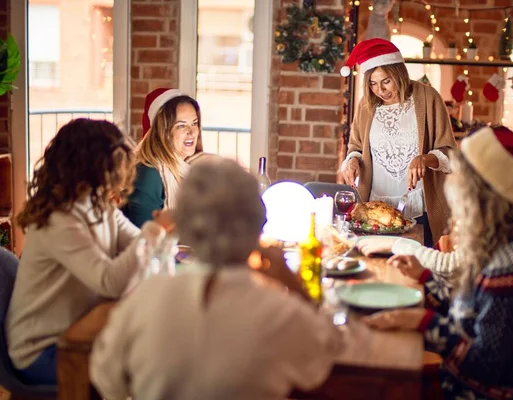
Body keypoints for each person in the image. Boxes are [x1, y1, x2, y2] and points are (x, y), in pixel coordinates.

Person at [90, 157, 340, 400]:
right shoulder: (282, 313)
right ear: (258, 226)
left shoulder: (145, 298)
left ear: (184, 225)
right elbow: (324, 359)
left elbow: (106, 378)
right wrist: (292, 282)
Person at [362, 126, 513, 399]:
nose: (453, 186)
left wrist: (424, 322)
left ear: (486, 196)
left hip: (467, 391)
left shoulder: (510, 269)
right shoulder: (503, 243)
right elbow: (470, 315)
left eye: (462, 179)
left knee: (367, 381)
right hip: (460, 382)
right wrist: (426, 279)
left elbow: (485, 363)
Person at [5, 119, 164, 385]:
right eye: (114, 163)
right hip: (43, 350)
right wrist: (156, 231)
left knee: (155, 351)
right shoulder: (60, 218)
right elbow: (109, 281)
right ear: (89, 165)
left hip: (78, 333)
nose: (120, 172)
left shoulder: (99, 205)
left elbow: (138, 241)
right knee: (147, 367)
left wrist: (158, 233)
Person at [339, 38, 457, 247]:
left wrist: (424, 159)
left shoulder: (427, 98)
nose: (380, 90)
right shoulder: (366, 106)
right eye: (373, 83)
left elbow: (449, 153)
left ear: (398, 74)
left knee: (417, 269)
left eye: (386, 81)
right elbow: (355, 147)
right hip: (375, 210)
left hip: (419, 208)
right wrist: (353, 161)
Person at [121, 88, 202, 227]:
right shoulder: (149, 174)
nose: (192, 132)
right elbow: (145, 238)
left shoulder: (188, 167)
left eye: (194, 123)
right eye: (181, 125)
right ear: (162, 132)